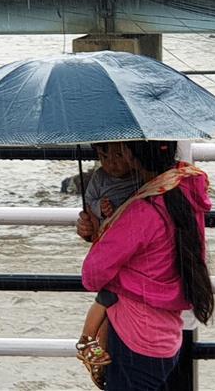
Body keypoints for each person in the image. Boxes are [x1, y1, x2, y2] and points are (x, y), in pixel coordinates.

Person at [77, 140, 214, 390]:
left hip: (134, 333)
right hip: (166, 331)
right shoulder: (184, 190)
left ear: (130, 154)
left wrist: (101, 232)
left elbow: (92, 275)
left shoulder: (142, 212)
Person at [76, 142, 141, 386]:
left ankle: (91, 343)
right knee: (107, 300)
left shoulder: (140, 179)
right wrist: (94, 213)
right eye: (104, 156)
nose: (111, 162)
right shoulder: (100, 178)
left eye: (118, 155)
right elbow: (90, 201)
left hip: (121, 254)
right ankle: (94, 346)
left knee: (108, 300)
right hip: (110, 251)